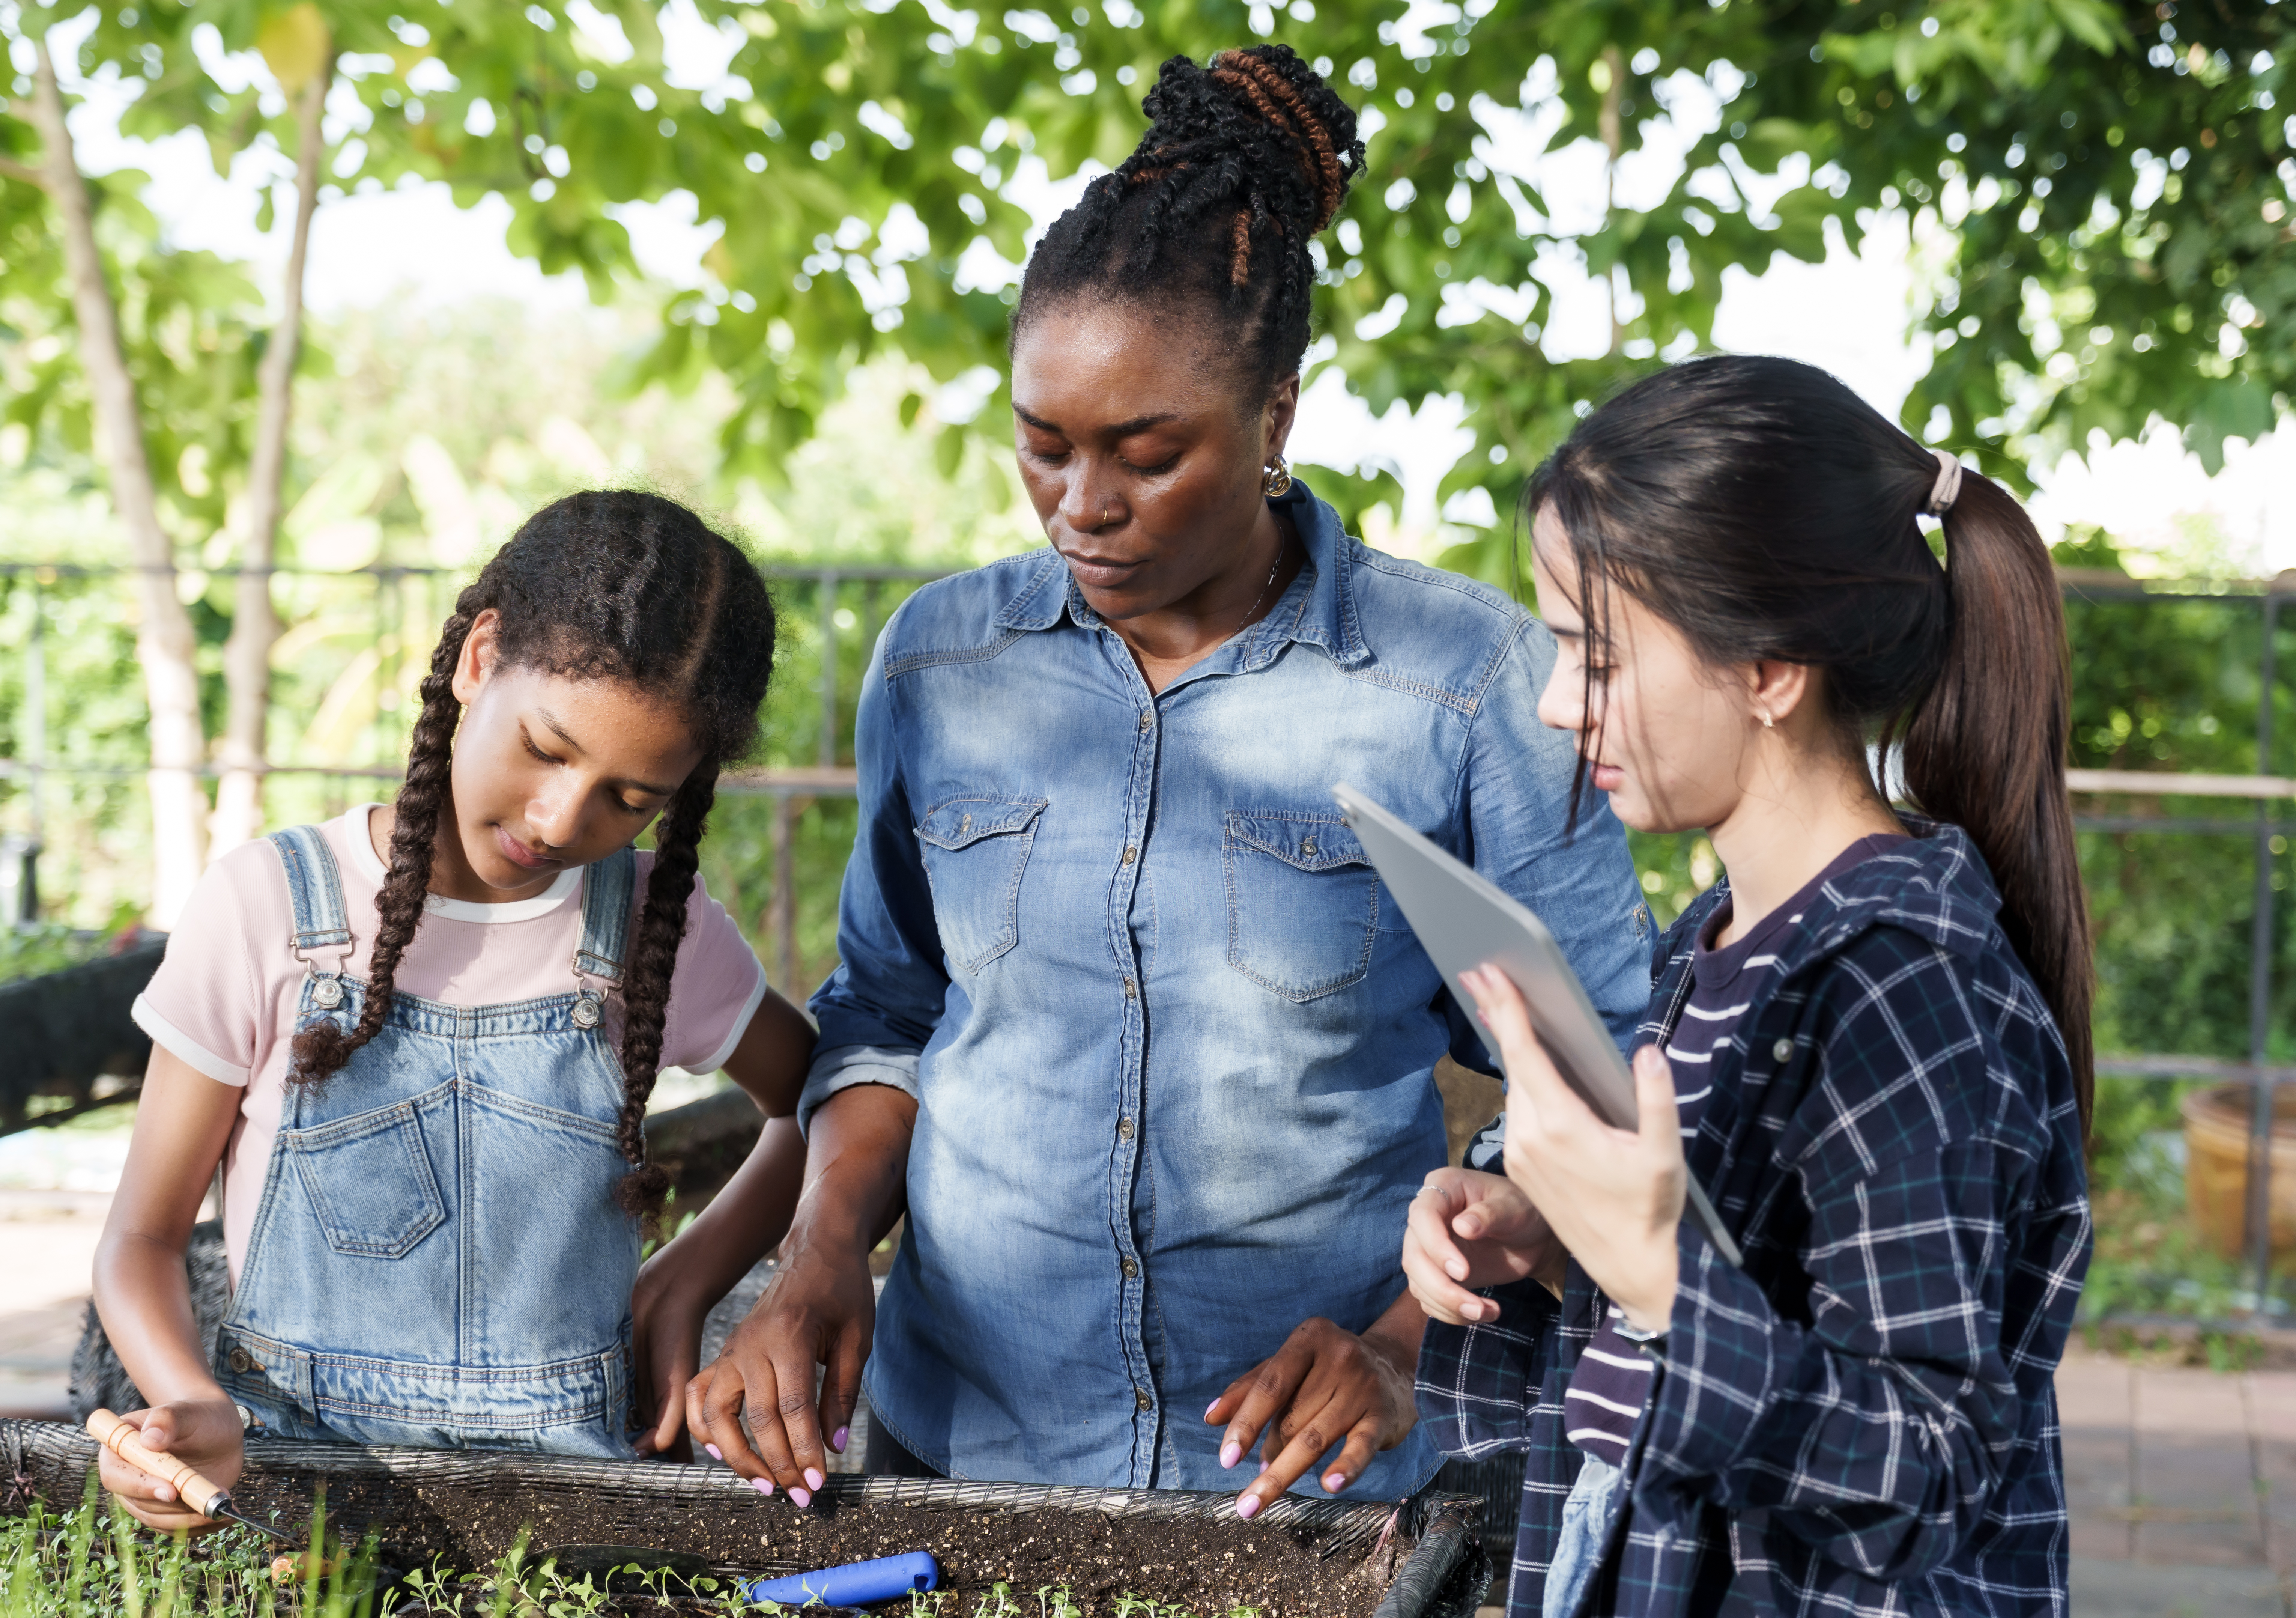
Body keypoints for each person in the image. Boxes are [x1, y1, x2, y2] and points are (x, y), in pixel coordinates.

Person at [689, 45, 1652, 1516]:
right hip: (962, 1448)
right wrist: (819, 1255)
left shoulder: (1464, 686)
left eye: (1146, 455)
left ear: (1275, 418)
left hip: (1316, 1488)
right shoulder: (941, 663)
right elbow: (890, 1011)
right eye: (1044, 447)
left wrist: (1406, 1344)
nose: (1083, 506)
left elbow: (1598, 1075)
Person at [1404, 355, 2092, 1618]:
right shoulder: (1723, 937)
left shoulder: (1907, 988)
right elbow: (1741, 1288)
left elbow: (1934, 1461)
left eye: (1598, 656)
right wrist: (1553, 1240)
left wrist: (1655, 1278)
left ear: (1769, 670)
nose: (1555, 705)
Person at [91, 490, 817, 1530]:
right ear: (480, 657)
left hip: (580, 1534)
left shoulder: (656, 929)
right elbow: (140, 1241)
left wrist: (693, 1274)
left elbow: (823, 1103)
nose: (559, 821)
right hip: (298, 1518)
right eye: (548, 748)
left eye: (631, 799)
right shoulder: (268, 906)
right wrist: (190, 1402)